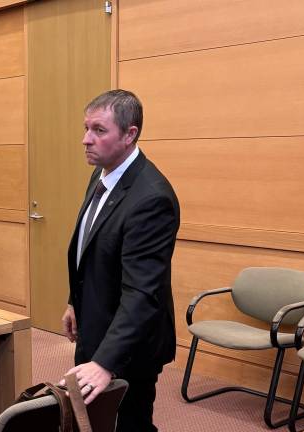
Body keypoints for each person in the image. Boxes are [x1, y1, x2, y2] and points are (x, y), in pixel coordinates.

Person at [61, 89, 179, 432]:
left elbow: (143, 293)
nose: (86, 140)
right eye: (86, 128)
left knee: (130, 425)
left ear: (130, 134)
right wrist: (75, 303)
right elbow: (93, 251)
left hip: (131, 345)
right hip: (97, 326)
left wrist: (105, 362)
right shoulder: (102, 173)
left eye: (99, 130)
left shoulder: (151, 198)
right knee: (94, 423)